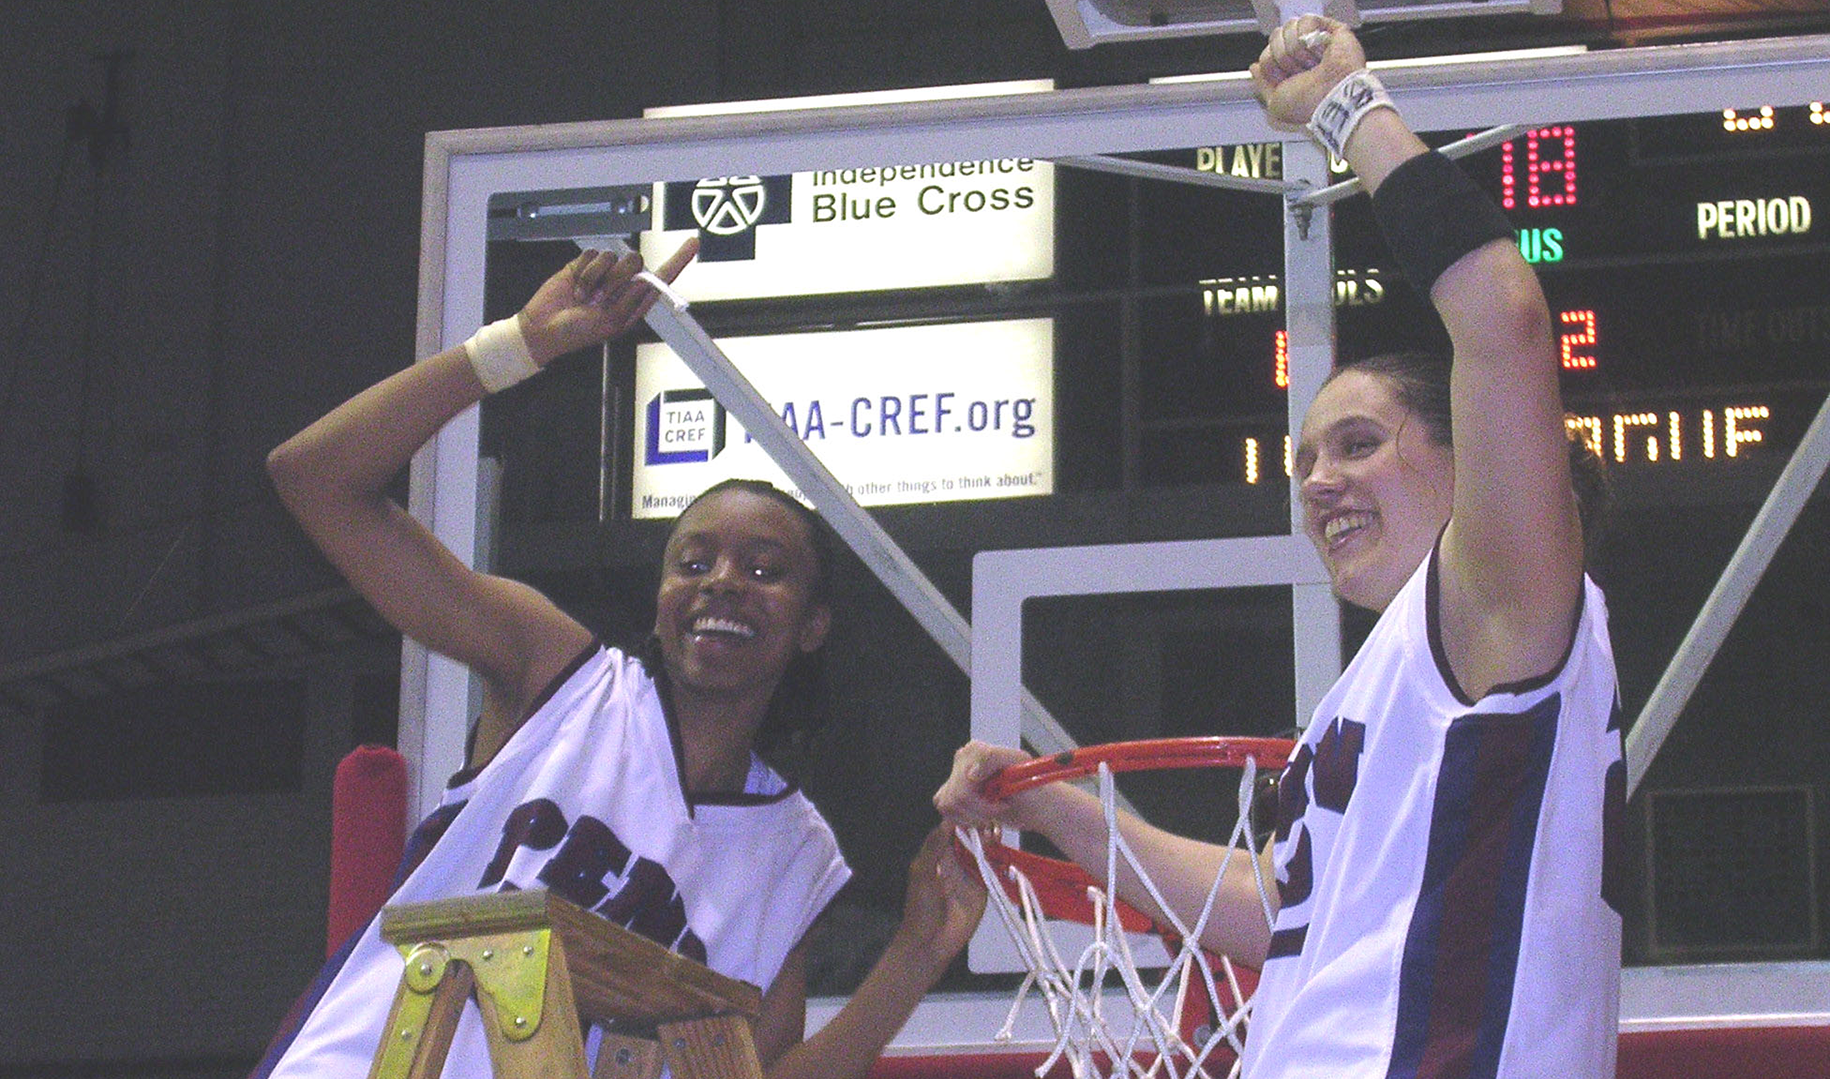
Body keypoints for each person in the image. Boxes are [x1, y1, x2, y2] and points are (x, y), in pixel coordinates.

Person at [937, 17, 1623, 1079]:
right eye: (1303, 459)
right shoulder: (1392, 687)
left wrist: (1350, 106)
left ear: (1471, 455)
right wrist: (1049, 804)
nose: (1318, 481)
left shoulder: (1505, 605)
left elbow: (1505, 317)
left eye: (1359, 443)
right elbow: (1264, 907)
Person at [255, 240, 984, 1079]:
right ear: (662, 594)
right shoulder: (557, 674)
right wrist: (519, 345)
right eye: (694, 560)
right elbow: (314, 479)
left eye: (764, 569)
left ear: (813, 624)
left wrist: (917, 954)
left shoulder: (792, 851)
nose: (723, 584)